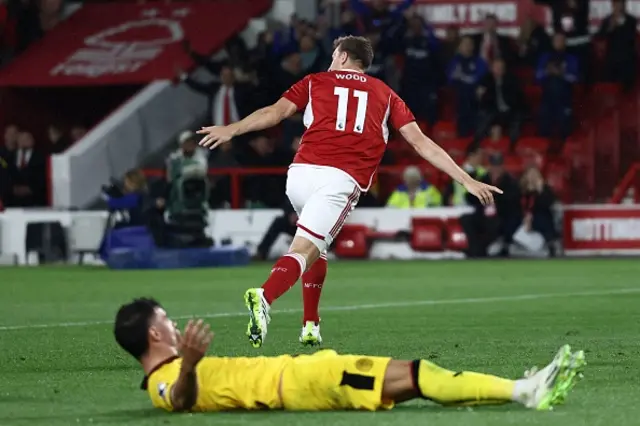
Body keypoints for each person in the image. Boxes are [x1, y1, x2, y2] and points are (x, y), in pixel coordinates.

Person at [198, 35, 502, 348]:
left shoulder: (315, 81)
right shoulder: (386, 94)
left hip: (300, 175)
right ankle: (265, 295)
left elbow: (273, 113)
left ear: (343, 57)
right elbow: (420, 142)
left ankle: (311, 325)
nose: (331, 60)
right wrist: (467, 179)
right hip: (339, 181)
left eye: (333, 55)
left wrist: (230, 129)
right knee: (305, 249)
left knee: (318, 247)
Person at [114, 298, 586, 414]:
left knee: (417, 378)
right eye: (168, 322)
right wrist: (192, 364)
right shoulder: (165, 380)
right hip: (300, 383)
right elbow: (178, 400)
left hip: (299, 376)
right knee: (419, 375)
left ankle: (521, 388)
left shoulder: (171, 370)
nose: (176, 327)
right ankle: (524, 390)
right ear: (155, 333)